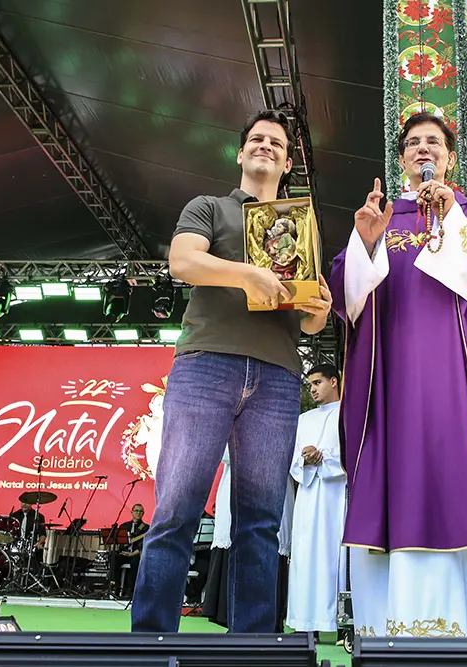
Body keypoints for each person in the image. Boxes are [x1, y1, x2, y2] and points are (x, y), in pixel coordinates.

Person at [328, 111, 467, 638]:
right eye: (414, 143)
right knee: (393, 479)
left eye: (433, 143)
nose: (423, 150)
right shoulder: (380, 216)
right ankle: (389, 632)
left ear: (450, 157)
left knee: (460, 476)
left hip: (461, 389)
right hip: (391, 385)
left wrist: (453, 222)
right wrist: (367, 244)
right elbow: (342, 297)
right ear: (401, 159)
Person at [132, 109, 334, 633]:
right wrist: (247, 273)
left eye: (276, 143)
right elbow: (182, 262)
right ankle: (150, 641)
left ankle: (254, 647)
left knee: (260, 522)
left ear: (288, 162)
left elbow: (310, 322)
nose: (265, 146)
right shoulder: (209, 208)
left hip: (279, 377)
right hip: (205, 365)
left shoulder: (302, 225)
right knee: (177, 508)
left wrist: (318, 309)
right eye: (257, 139)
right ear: (241, 153)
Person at [202, 448, 295, 632]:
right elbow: (221, 451)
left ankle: (270, 621)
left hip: (273, 483)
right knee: (236, 547)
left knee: (269, 546)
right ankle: (234, 621)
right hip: (238, 482)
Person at [287, 364, 347, 641]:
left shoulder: (349, 413)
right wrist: (304, 459)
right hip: (309, 498)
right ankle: (304, 620)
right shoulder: (303, 420)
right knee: (305, 556)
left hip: (338, 499)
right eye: (310, 384)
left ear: (334, 381)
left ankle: (337, 622)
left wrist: (325, 458)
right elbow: (292, 461)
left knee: (334, 556)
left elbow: (353, 454)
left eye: (317, 382)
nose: (312, 389)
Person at [111, 504, 149, 598]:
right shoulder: (124, 526)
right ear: (131, 512)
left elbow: (145, 545)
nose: (138, 513)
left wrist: (132, 553)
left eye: (140, 511)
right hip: (124, 553)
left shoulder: (146, 528)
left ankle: (129, 590)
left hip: (136, 554)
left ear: (143, 513)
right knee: (114, 558)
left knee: (136, 563)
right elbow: (119, 541)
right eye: (136, 511)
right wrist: (122, 550)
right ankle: (115, 587)